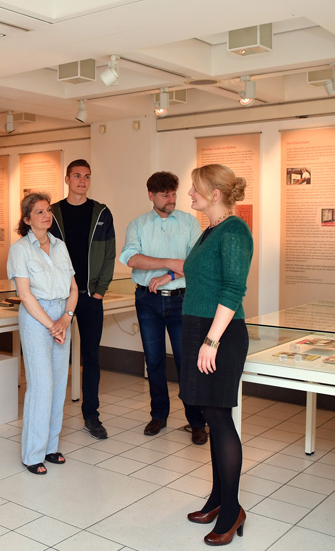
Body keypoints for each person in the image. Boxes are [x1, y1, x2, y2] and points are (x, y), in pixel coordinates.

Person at [181, 164, 253, 546]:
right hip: (201, 329)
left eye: (195, 188)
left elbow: (232, 289)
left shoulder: (235, 231)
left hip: (220, 333)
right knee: (210, 413)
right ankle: (217, 498)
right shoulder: (210, 230)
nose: (189, 194)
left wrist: (211, 341)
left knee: (220, 418)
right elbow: (204, 279)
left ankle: (232, 510)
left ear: (214, 193)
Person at [118, 171, 207, 443]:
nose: (171, 199)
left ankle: (196, 422)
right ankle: (159, 415)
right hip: (148, 300)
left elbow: (194, 264)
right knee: (154, 360)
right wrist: (170, 262)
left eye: (173, 193)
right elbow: (131, 259)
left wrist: (169, 275)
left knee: (186, 362)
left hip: (182, 299)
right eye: (165, 195)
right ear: (151, 196)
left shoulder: (190, 223)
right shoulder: (138, 225)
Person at [8, 192, 78, 474]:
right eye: (39, 212)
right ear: (26, 219)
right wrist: (52, 325)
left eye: (48, 210)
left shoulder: (60, 246)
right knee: (41, 386)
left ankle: (51, 447)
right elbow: (24, 294)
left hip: (63, 315)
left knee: (60, 385)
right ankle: (32, 454)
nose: (46, 215)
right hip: (38, 319)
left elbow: (73, 289)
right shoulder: (20, 250)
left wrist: (66, 318)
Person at [48, 159, 116, 440]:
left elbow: (110, 252)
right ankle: (51, 417)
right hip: (58, 297)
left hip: (89, 296)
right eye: (77, 176)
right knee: (54, 357)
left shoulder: (101, 213)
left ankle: (92, 415)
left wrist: (100, 290)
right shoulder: (52, 213)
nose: (82, 181)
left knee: (91, 357)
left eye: (87, 176)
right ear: (67, 179)